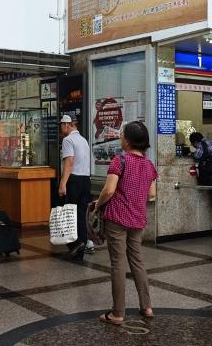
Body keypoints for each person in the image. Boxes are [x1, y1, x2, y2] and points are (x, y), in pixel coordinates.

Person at [94, 121, 157, 326]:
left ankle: (118, 313)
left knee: (118, 264)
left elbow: (109, 190)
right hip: (138, 219)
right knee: (137, 261)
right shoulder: (149, 165)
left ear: (128, 141)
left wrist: (97, 204)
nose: (120, 138)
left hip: (117, 219)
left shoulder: (119, 161)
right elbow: (152, 194)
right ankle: (146, 306)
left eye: (122, 135)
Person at [58, 115, 92, 260]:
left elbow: (69, 162)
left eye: (61, 126)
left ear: (66, 125)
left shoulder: (68, 140)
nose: (61, 129)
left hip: (73, 180)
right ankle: (81, 249)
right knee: (81, 215)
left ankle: (75, 244)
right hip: (86, 180)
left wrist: (62, 183)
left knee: (67, 215)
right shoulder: (83, 140)